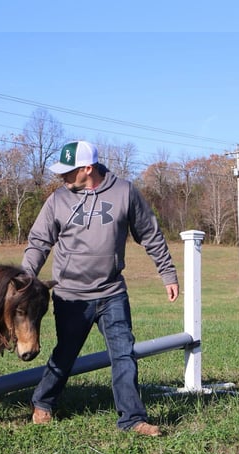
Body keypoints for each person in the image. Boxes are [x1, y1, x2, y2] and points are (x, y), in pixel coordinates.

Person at [21, 141, 179, 437]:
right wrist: (25, 278)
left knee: (123, 355)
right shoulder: (58, 199)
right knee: (65, 354)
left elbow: (150, 234)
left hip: (112, 292)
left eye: (68, 172)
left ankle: (132, 419)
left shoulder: (125, 192)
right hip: (71, 295)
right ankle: (42, 402)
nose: (62, 178)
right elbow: (39, 241)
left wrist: (168, 273)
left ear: (88, 169)